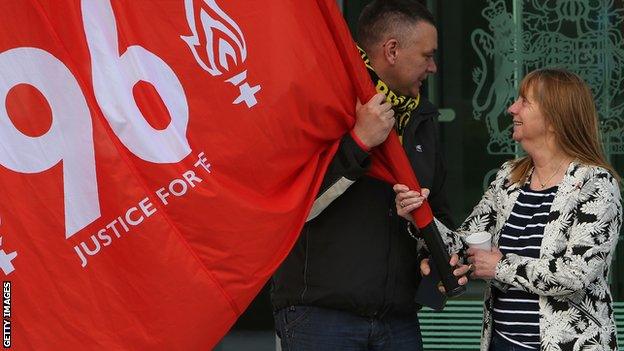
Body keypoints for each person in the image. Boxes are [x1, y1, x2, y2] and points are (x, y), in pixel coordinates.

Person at [270, 1, 468, 350]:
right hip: (322, 316)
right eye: (427, 55)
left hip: (398, 318)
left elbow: (438, 211)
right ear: (392, 50)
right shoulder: (326, 100)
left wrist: (434, 259)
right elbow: (294, 205)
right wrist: (359, 142)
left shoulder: (421, 119)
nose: (434, 67)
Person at [395, 68, 622, 351]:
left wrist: (499, 266)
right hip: (503, 342)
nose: (512, 108)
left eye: (525, 101)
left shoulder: (596, 183)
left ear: (554, 119)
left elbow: (575, 275)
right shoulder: (509, 177)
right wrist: (419, 215)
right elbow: (464, 243)